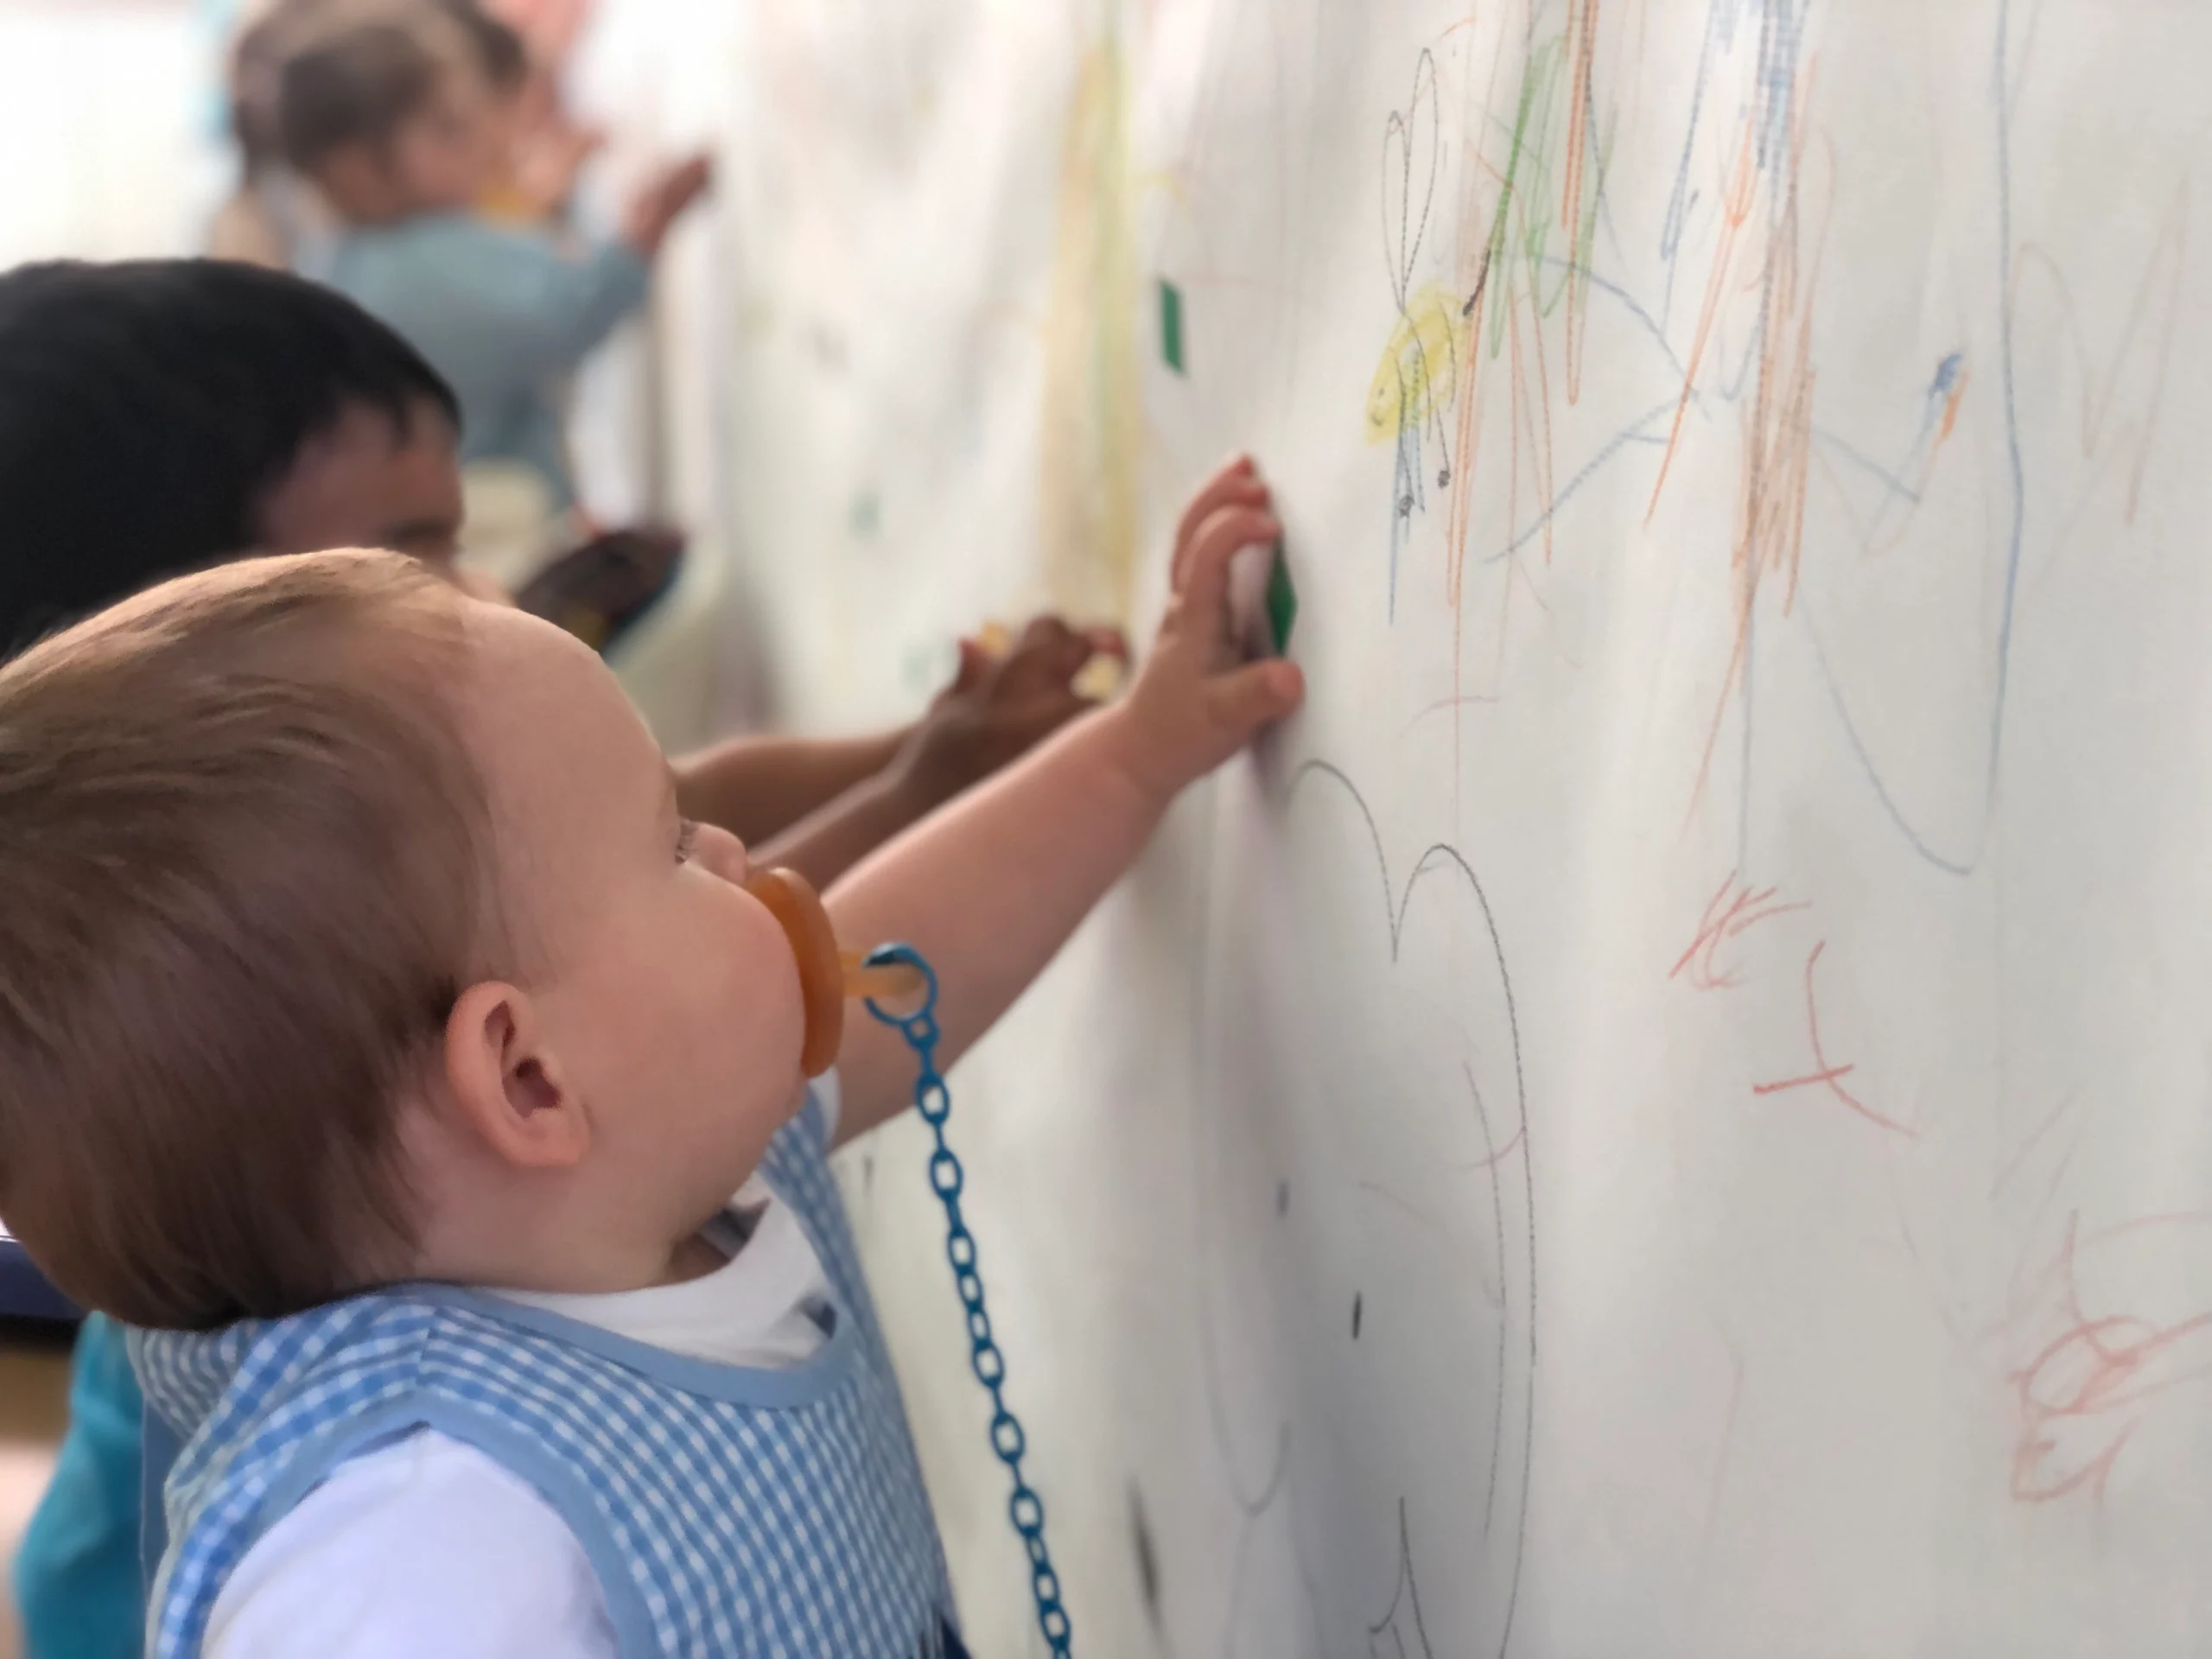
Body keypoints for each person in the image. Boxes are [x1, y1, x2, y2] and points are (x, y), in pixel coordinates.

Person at [0, 256, 1117, 1659]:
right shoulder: (422, 1548)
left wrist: (1146, 746)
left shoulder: (646, 1167)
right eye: (673, 848)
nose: (735, 855)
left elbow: (909, 946)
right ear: (525, 1078)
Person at [272, 0, 707, 513]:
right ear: (358, 169)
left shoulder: (338, 257)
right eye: (448, 130)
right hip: (485, 525)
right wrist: (647, 228)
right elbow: (564, 309)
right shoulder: (415, 261)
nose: (481, 144)